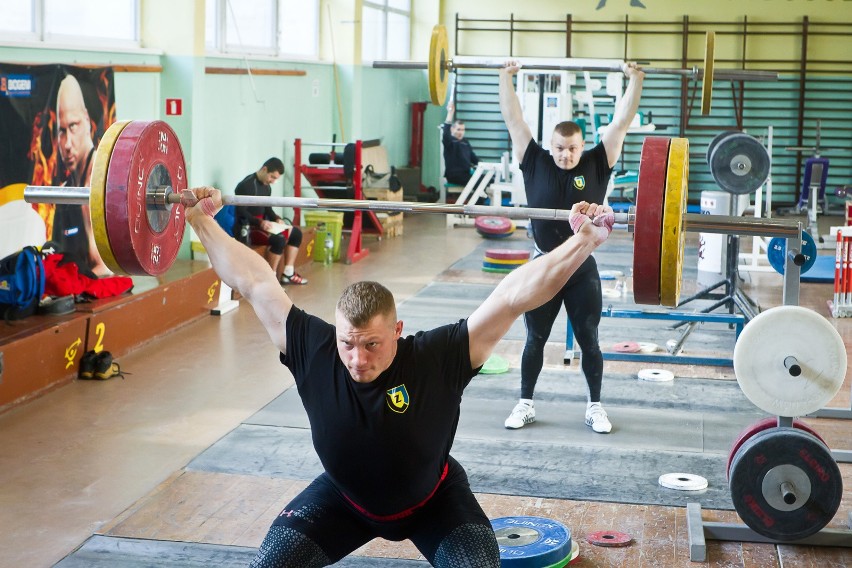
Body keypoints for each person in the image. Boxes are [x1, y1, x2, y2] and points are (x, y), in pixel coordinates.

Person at [184, 184, 614, 567]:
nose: (357, 359)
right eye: (347, 343)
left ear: (397, 331)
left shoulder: (437, 356)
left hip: (435, 503)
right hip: (342, 500)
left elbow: (511, 297)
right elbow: (256, 280)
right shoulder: (313, 349)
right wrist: (201, 220)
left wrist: (584, 242)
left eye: (372, 344)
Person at [498, 59, 644, 434]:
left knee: (589, 341)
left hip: (580, 269)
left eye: (572, 148)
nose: (566, 155)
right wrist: (506, 76)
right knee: (535, 339)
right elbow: (515, 121)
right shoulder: (535, 162)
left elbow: (621, 123)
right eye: (560, 148)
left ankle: (595, 406)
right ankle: (525, 403)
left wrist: (635, 79)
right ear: (551, 146)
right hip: (545, 265)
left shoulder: (597, 163)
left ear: (583, 146)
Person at [53, 73, 110, 277]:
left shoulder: (97, 181)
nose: (67, 144)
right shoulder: (66, 190)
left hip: (100, 291)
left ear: (87, 120)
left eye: (73, 126)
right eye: (61, 131)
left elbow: (104, 267)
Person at [233, 157, 308, 285]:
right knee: (278, 240)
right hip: (250, 228)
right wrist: (260, 223)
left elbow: (268, 209)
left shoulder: (267, 187)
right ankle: (271, 281)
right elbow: (240, 212)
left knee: (296, 233)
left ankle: (288, 273)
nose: (272, 181)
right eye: (272, 177)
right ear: (264, 169)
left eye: (275, 179)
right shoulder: (246, 185)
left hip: (264, 225)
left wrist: (277, 219)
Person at [441, 101, 479, 187]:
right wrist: (450, 113)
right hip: (454, 176)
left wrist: (484, 165)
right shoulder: (449, 141)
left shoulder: (465, 142)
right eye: (458, 129)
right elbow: (445, 133)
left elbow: (474, 159)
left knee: (489, 179)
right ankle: (478, 201)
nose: (461, 132)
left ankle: (481, 200)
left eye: (462, 130)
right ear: (452, 129)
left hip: (466, 174)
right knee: (479, 183)